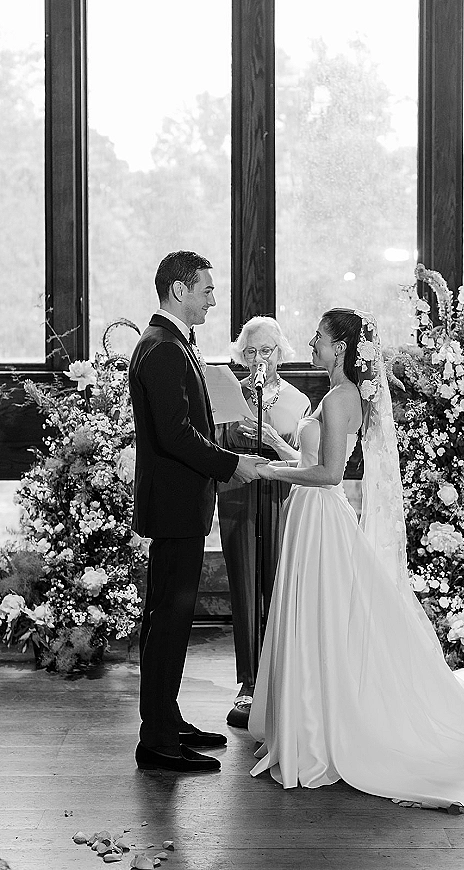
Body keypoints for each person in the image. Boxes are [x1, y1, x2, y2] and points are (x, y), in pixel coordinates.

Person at [248, 307, 464, 807]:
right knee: (314, 618)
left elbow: (330, 475)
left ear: (340, 347)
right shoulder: (336, 394)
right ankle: (305, 722)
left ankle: (321, 728)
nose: (311, 344)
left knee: (322, 618)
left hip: (320, 517)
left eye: (318, 337)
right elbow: (312, 462)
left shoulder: (340, 398)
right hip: (308, 515)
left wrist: (268, 472)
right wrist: (277, 447)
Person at [129, 250, 266, 774]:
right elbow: (176, 433)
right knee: (168, 621)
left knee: (168, 618)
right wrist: (232, 464)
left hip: (177, 503)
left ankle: (166, 720)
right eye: (206, 289)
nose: (212, 299)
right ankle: (158, 742)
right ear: (180, 290)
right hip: (174, 506)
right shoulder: (163, 347)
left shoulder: (170, 342)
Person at [217, 317, 310, 728]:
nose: (259, 359)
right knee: (244, 588)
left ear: (281, 354)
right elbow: (213, 446)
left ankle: (281, 677)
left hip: (281, 497)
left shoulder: (298, 400)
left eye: (267, 351)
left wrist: (271, 439)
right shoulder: (229, 395)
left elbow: (306, 460)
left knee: (279, 585)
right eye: (251, 351)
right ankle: (249, 681)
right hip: (237, 496)